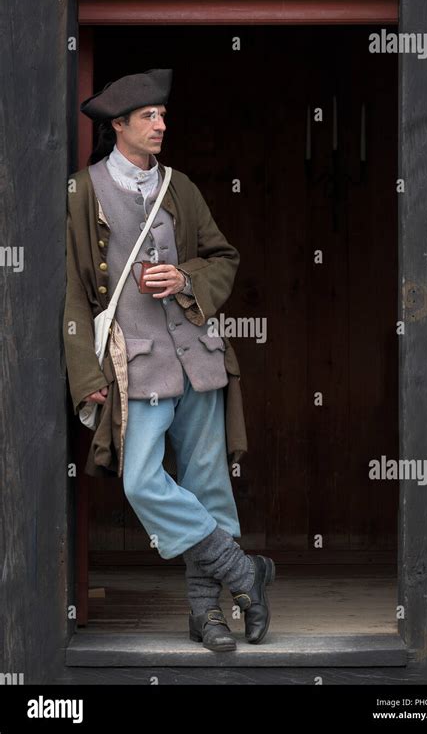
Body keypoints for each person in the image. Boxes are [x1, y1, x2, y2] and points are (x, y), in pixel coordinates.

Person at [62, 68, 275, 652]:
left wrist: (185, 275)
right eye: (148, 117)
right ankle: (244, 573)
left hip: (199, 358)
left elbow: (222, 256)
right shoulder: (83, 192)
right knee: (142, 482)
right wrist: (86, 374)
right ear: (119, 126)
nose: (161, 125)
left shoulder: (179, 186)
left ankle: (206, 617)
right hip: (137, 367)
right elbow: (75, 295)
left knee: (209, 485)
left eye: (162, 115)